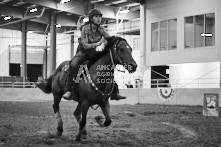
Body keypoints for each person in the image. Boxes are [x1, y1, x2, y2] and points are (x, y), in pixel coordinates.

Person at [62, 8, 126, 101]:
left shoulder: (101, 29)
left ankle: (114, 91)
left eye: (100, 16)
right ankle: (69, 90)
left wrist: (117, 40)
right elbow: (85, 45)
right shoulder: (85, 28)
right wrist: (98, 44)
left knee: (107, 65)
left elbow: (109, 38)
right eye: (96, 17)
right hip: (83, 51)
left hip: (93, 52)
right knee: (74, 64)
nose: (99, 19)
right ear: (91, 18)